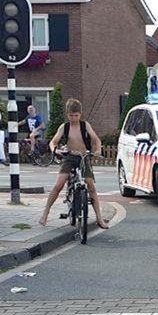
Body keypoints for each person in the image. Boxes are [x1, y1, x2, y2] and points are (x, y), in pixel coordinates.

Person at [39, 98, 107, 229]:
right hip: (69, 157)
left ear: (80, 114)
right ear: (67, 114)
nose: (74, 118)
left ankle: (99, 218)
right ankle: (45, 213)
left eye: (76, 115)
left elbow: (96, 140)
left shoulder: (85, 125)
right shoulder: (64, 127)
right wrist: (55, 150)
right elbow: (53, 142)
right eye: (71, 115)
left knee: (91, 186)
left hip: (83, 157)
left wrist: (98, 150)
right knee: (59, 184)